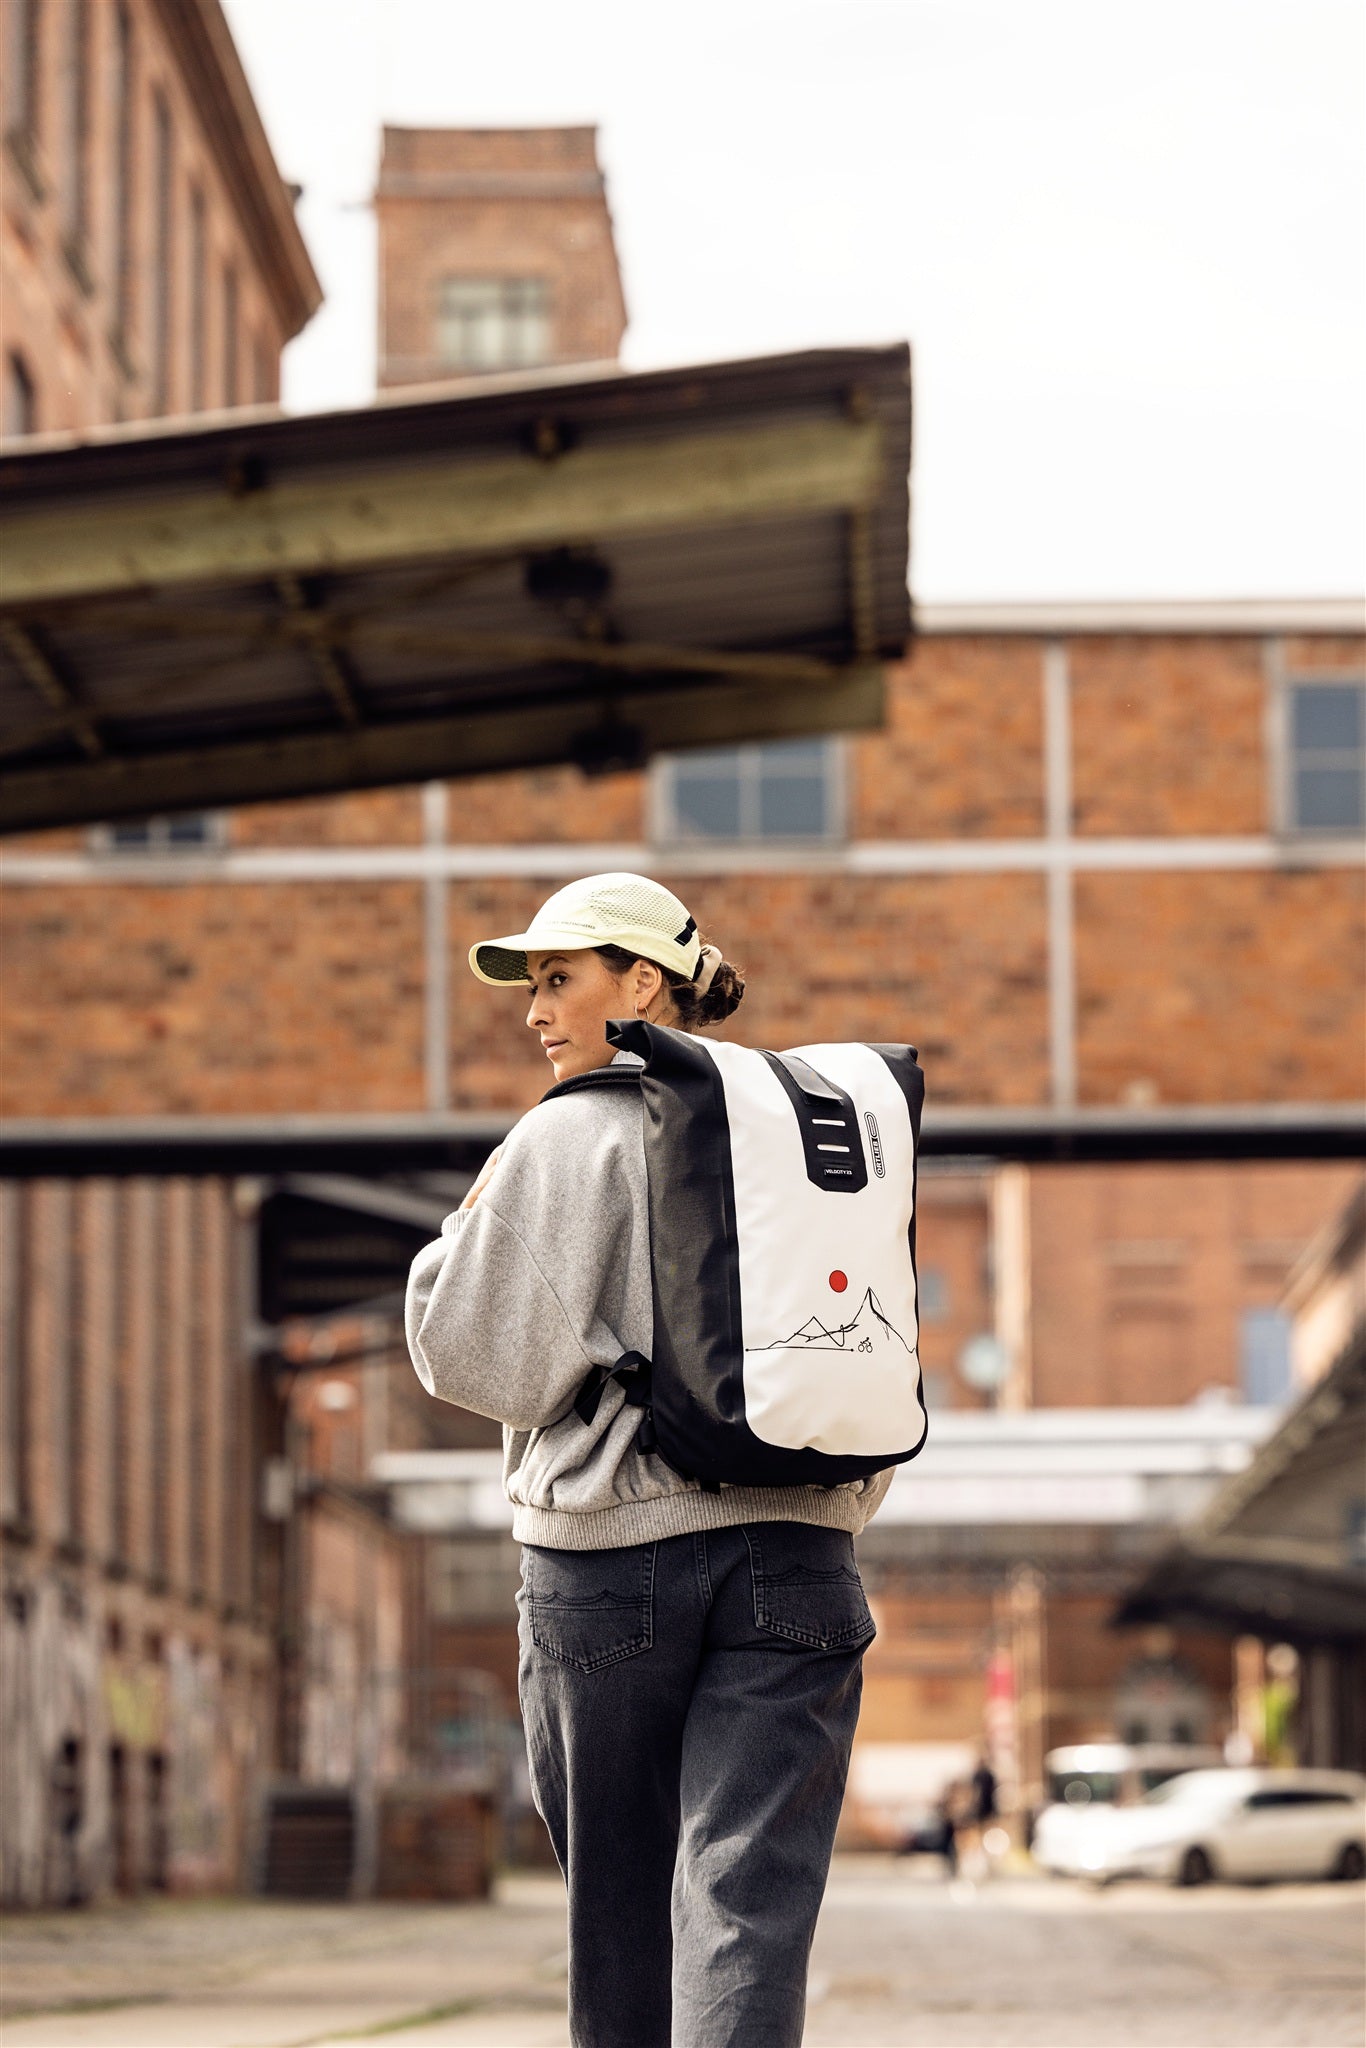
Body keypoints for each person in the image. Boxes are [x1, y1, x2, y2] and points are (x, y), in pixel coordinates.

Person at [405, 873, 895, 2048]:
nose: (536, 1009)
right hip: (800, 1554)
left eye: (559, 977)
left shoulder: (565, 1134)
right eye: (531, 985)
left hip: (608, 1564)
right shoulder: (813, 1134)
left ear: (643, 981)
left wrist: (461, 1236)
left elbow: (471, 1355)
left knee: (619, 1908)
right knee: (749, 1906)